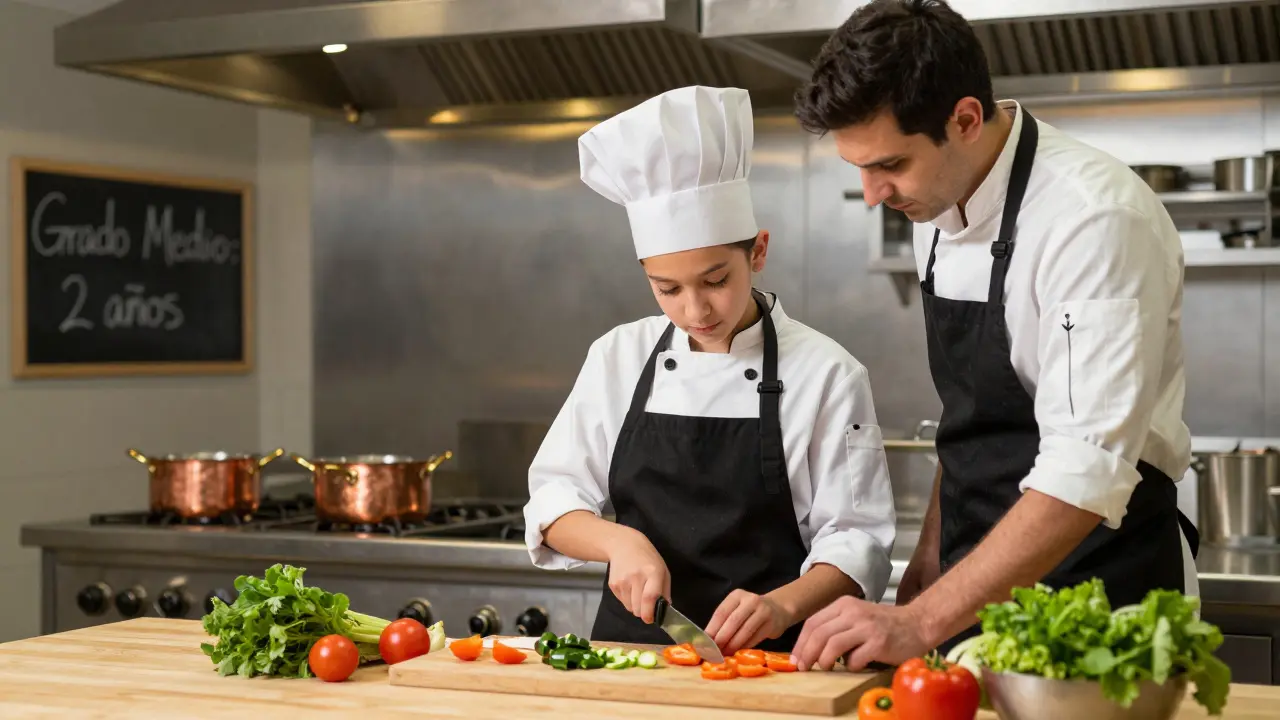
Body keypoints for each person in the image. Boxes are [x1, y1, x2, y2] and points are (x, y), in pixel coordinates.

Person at [787, 0, 1200, 671]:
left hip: (1096, 591)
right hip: (973, 589)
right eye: (857, 168)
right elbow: (976, 413)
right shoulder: (939, 200)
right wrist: (930, 559)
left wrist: (921, 619)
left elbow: (1086, 469)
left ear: (966, 119)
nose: (871, 193)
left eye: (888, 164)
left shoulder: (1092, 219)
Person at [522, 85, 896, 655]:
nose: (695, 311)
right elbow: (553, 498)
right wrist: (619, 542)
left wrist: (784, 604)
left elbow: (857, 539)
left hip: (769, 661)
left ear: (759, 251)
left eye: (716, 280)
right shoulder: (619, 357)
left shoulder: (827, 372)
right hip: (633, 658)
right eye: (667, 289)